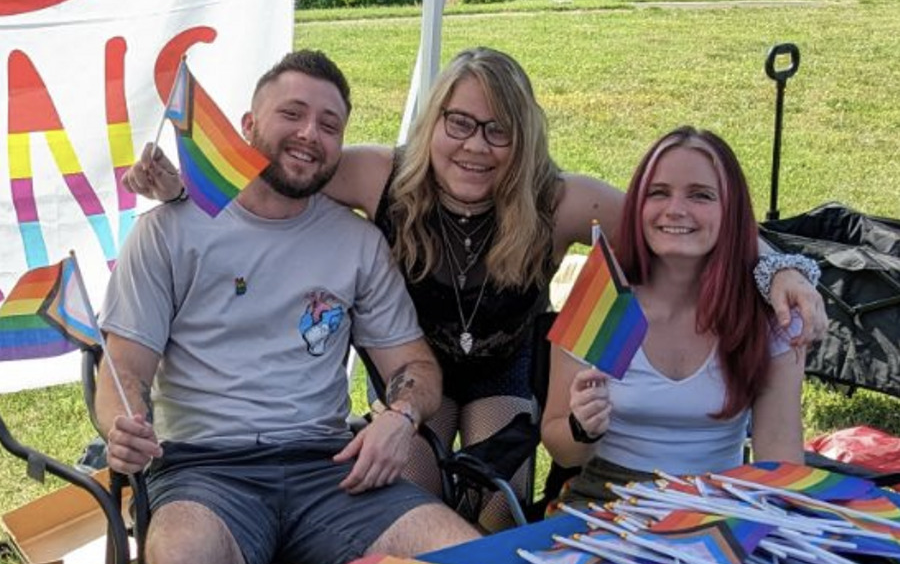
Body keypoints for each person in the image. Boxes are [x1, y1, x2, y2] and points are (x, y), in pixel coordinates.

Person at [123, 47, 826, 530]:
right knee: (411, 495)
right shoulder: (383, 176)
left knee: (497, 503)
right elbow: (283, 163)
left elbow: (674, 220)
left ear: (523, 139)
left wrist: (781, 268)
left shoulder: (557, 199)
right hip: (412, 367)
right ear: (434, 124)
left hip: (501, 368)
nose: (475, 145)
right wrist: (180, 182)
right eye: (459, 123)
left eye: (499, 130)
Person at [96, 50, 479, 564]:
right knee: (182, 554)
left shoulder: (357, 242)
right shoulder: (169, 229)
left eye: (329, 124)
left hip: (329, 470)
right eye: (292, 114)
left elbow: (415, 365)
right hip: (204, 472)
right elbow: (122, 367)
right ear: (248, 125)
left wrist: (401, 416)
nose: (310, 134)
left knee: (466, 553)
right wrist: (124, 424)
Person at [541, 126, 809, 507]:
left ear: (730, 210)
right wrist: (582, 429)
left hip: (721, 499)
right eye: (658, 193)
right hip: (610, 500)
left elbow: (779, 456)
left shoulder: (766, 310)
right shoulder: (608, 299)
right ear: (638, 205)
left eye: (700, 195)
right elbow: (563, 450)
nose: (676, 209)